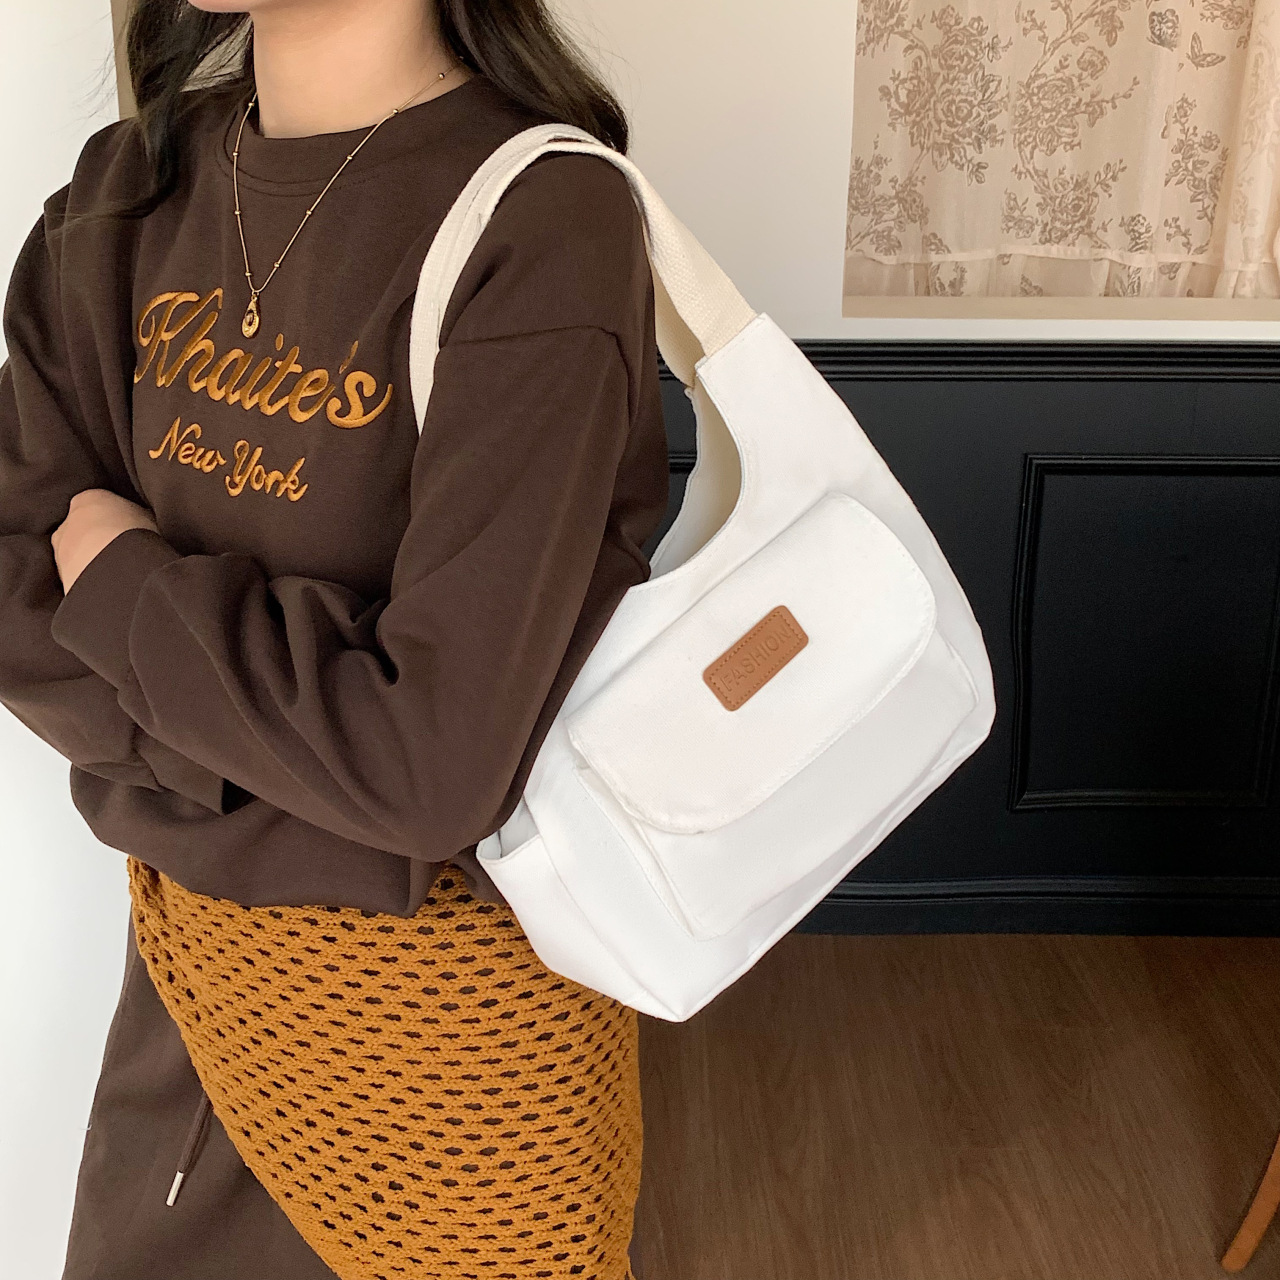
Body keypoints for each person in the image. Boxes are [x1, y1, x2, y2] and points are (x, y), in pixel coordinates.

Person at [0, 0, 668, 1276]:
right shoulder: (123, 192)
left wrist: (132, 593)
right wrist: (302, 736)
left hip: (446, 1055)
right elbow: (18, 593)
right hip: (188, 1004)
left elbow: (431, 766)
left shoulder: (540, 218)